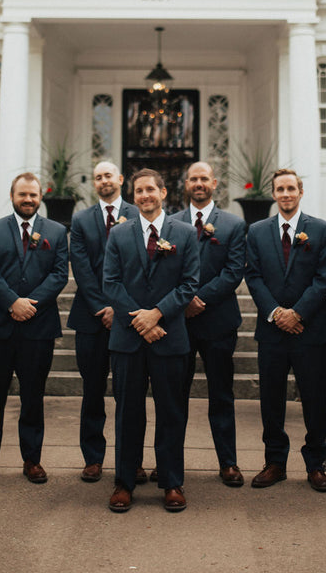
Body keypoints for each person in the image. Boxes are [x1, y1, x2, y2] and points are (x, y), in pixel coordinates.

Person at [103, 168, 199, 513]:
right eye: (138, 190)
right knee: (128, 414)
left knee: (171, 413)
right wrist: (141, 320)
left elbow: (189, 284)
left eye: (150, 189)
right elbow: (110, 283)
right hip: (128, 339)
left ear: (163, 192)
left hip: (169, 337)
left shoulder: (185, 234)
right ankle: (124, 482)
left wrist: (157, 314)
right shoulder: (119, 234)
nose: (144, 195)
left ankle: (172, 482)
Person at [0, 172, 68, 486]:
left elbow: (58, 275)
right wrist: (13, 302)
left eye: (33, 195)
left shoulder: (56, 230)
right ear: (12, 195)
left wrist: (32, 304)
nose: (28, 200)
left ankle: (32, 460)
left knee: (33, 396)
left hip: (38, 329)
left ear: (41, 196)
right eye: (22, 194)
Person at [245, 168, 326, 492]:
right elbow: (253, 276)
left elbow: (324, 278)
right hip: (271, 332)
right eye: (280, 189)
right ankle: (275, 463)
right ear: (273, 194)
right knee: (271, 400)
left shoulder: (322, 230)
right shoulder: (256, 231)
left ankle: (316, 465)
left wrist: (297, 313)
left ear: (300, 192)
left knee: (313, 399)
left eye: (291, 189)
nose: (285, 194)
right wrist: (274, 313)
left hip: (310, 331)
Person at [68, 159, 142, 483]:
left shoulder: (138, 214)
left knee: (130, 395)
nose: (103, 181)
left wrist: (121, 309)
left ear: (120, 179)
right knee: (93, 391)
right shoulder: (81, 220)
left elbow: (141, 267)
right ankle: (93, 458)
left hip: (129, 319)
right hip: (91, 318)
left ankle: (132, 461)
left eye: (108, 175)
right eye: (98, 177)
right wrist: (103, 307)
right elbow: (81, 269)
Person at [172, 160, 246, 486]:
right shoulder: (170, 223)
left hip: (218, 322)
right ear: (185, 184)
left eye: (204, 178)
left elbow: (234, 271)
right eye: (193, 179)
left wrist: (200, 299)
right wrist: (183, 300)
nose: (199, 183)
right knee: (174, 396)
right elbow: (162, 270)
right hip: (179, 324)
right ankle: (170, 462)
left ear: (215, 183)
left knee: (221, 395)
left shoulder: (233, 224)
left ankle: (228, 463)